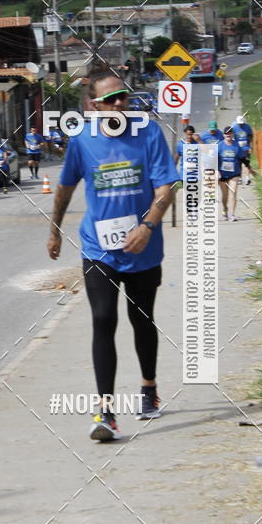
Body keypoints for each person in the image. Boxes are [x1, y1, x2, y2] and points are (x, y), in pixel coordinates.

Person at [47, 70, 178, 441]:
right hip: (98, 248)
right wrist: (54, 229)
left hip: (143, 248)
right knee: (103, 319)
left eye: (123, 96)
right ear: (94, 105)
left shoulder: (148, 133)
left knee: (142, 319)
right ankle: (105, 414)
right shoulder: (82, 140)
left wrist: (148, 225)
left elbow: (166, 187)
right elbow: (65, 188)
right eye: (110, 98)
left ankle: (149, 388)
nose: (119, 103)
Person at [218, 125, 255, 221]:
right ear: (224, 135)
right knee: (225, 195)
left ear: (233, 134)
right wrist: (216, 171)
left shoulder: (236, 146)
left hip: (234, 173)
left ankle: (232, 214)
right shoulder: (219, 146)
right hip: (222, 174)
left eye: (230, 133)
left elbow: (243, 159)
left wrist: (250, 169)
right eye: (227, 133)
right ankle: (225, 209)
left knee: (233, 192)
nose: (228, 135)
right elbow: (213, 160)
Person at [231, 114, 254, 185]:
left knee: (246, 163)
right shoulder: (234, 128)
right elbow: (231, 138)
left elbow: (250, 136)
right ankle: (240, 178)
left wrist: (250, 146)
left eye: (242, 124)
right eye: (239, 124)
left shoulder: (247, 127)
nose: (241, 125)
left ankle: (247, 178)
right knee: (238, 164)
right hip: (238, 149)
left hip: (246, 148)